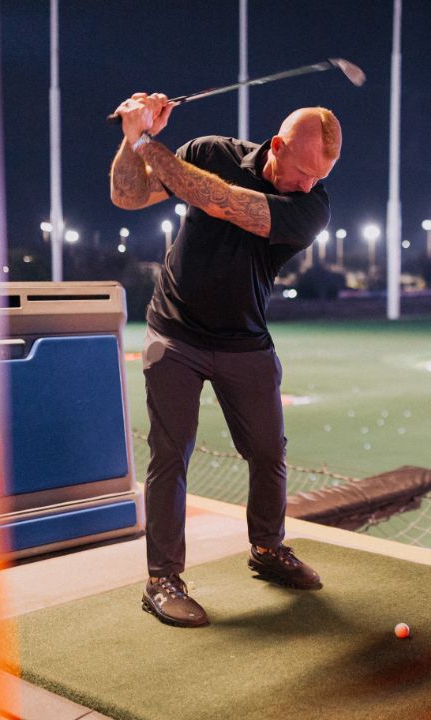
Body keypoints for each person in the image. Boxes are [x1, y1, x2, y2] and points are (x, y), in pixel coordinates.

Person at [110, 92, 341, 627]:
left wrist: (147, 138)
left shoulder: (313, 207)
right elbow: (128, 195)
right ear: (277, 146)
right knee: (170, 454)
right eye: (304, 171)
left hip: (245, 340)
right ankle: (162, 579)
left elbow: (218, 201)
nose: (309, 184)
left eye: (320, 175)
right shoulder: (211, 150)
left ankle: (266, 549)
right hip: (176, 333)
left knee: (268, 451)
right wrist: (130, 140)